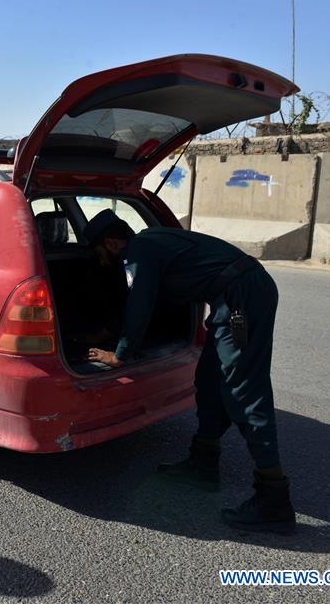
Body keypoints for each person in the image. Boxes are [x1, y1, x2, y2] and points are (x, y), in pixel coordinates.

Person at [83, 209, 295, 534]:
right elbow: (149, 301)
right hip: (232, 298)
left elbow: (140, 303)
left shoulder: (139, 251)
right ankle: (203, 464)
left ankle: (274, 498)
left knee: (244, 391)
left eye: (98, 252)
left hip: (243, 300)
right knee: (209, 380)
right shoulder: (150, 244)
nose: (100, 262)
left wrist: (120, 355)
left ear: (112, 243)